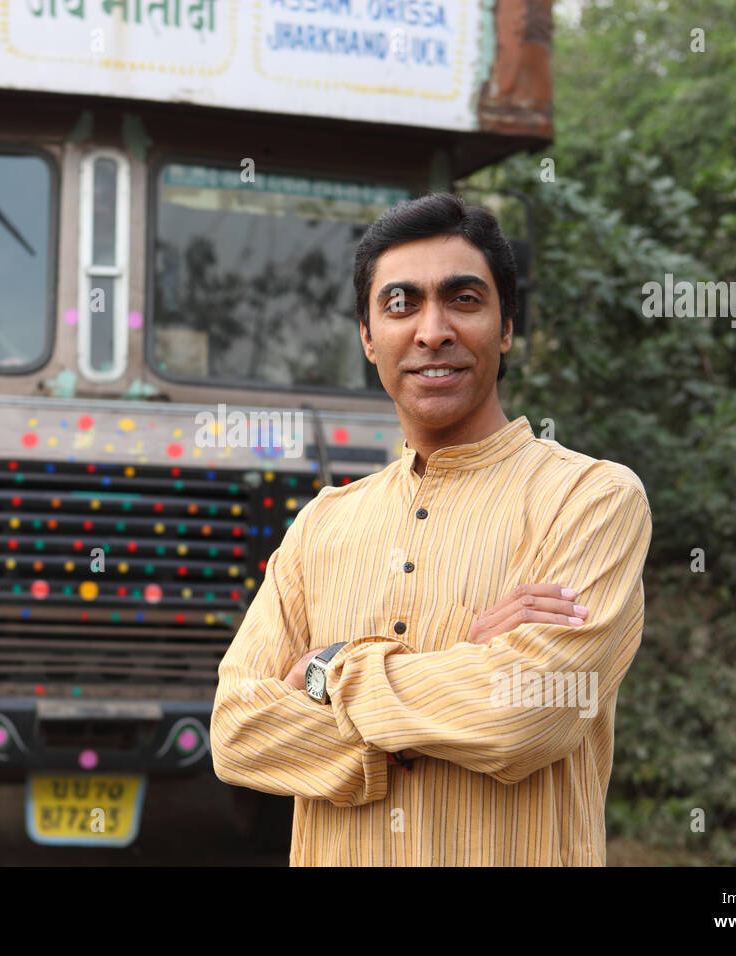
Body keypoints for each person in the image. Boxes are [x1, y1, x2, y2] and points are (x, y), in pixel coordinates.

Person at [210, 194, 653, 866]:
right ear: (367, 337)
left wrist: (329, 672)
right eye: (401, 304)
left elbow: (529, 713)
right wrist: (462, 672)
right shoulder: (323, 523)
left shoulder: (590, 499)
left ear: (506, 327)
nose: (432, 330)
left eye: (464, 299)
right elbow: (237, 729)